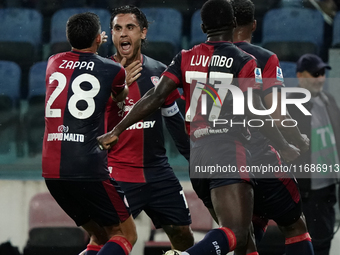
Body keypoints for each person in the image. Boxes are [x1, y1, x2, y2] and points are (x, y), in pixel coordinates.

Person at [98, 1, 301, 254]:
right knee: (237, 232)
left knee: (243, 239)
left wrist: (117, 129)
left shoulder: (185, 57)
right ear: (234, 25)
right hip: (228, 150)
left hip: (199, 157)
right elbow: (254, 109)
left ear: (203, 26)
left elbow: (155, 97)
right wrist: (284, 145)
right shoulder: (244, 60)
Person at [42, 12, 137, 255]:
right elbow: (120, 95)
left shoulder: (53, 62)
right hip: (86, 166)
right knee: (125, 235)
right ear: (98, 38)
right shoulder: (113, 69)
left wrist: (92, 44)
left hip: (52, 171)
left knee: (99, 236)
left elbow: (78, 66)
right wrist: (122, 77)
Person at [106, 5, 194, 251]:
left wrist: (193, 157)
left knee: (184, 237)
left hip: (158, 172)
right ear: (111, 34)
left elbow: (175, 121)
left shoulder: (159, 72)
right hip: (117, 172)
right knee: (110, 240)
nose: (124, 34)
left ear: (143, 33)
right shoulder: (101, 72)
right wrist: (115, 85)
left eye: (130, 28)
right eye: (118, 28)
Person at [231, 1, 314, 255]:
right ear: (254, 25)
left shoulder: (206, 58)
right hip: (260, 155)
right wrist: (297, 140)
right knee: (295, 225)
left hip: (224, 159)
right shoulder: (264, 58)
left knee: (245, 232)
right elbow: (278, 114)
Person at [287, 53, 340, 255]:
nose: (321, 78)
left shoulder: (329, 101)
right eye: (315, 73)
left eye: (323, 73)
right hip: (305, 193)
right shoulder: (291, 106)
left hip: (327, 190)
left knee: (323, 244)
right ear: (300, 76)